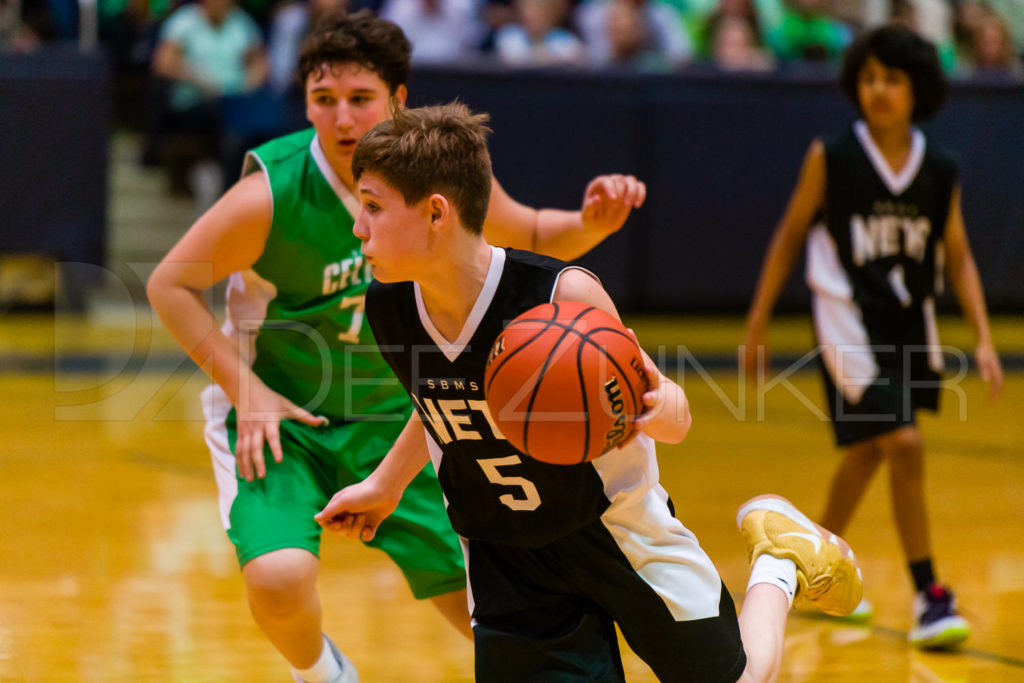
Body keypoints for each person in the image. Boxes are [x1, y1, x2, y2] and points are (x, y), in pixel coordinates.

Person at [147, 9, 648, 683]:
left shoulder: (431, 174)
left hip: (398, 423)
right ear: (305, 104)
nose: (343, 119)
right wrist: (247, 389)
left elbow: (529, 229)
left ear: (399, 101)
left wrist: (592, 222)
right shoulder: (270, 191)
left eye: (361, 99)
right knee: (279, 577)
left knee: (489, 610)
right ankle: (323, 672)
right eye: (324, 101)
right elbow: (168, 284)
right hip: (285, 418)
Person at [316, 102, 863, 682]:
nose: (358, 226)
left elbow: (672, 418)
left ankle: (779, 562)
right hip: (506, 555)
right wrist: (384, 485)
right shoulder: (390, 306)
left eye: (372, 207)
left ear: (435, 214)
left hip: (613, 527)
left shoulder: (560, 295)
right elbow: (440, 406)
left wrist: (657, 407)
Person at [742, 24, 1003, 649]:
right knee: (905, 445)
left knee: (869, 451)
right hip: (847, 320)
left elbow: (959, 255)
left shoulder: (939, 168)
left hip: (910, 323)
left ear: (919, 90)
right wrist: (758, 319)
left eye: (893, 79)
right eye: (869, 78)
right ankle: (930, 595)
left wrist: (984, 335)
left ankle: (807, 572)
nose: (879, 90)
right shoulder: (830, 156)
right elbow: (788, 234)